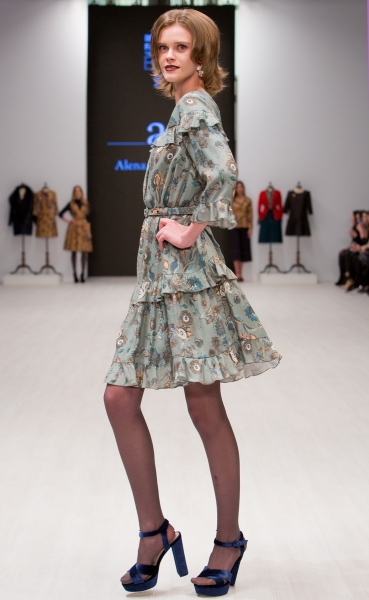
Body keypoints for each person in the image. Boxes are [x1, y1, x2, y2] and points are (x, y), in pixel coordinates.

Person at [103, 9, 281, 597]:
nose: (169, 56)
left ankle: (228, 540)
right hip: (158, 275)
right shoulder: (183, 106)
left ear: (202, 56)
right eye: (162, 47)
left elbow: (223, 173)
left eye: (181, 47)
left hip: (186, 276)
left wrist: (189, 229)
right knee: (120, 397)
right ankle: (154, 531)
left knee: (204, 406)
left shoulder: (196, 105)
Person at [59, 186, 92, 283]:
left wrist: (89, 231)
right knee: (74, 250)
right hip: (74, 227)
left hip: (83, 227)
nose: (77, 193)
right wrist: (69, 220)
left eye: (79, 191)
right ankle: (74, 273)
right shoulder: (71, 204)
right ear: (74, 193)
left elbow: (88, 218)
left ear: (81, 192)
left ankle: (82, 273)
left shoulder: (85, 203)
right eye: (76, 191)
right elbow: (60, 213)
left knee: (84, 251)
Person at [229, 181, 252, 281]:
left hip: (244, 226)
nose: (239, 189)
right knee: (235, 249)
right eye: (238, 187)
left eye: (241, 187)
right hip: (234, 227)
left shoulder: (248, 200)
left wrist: (250, 227)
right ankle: (237, 272)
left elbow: (250, 214)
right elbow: (228, 213)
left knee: (243, 249)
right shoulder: (232, 200)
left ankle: (240, 273)